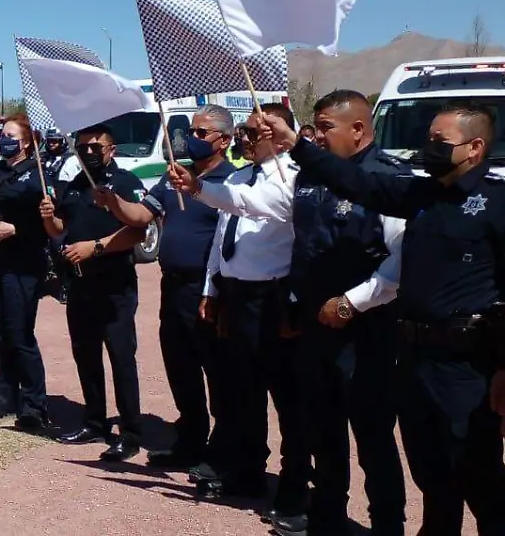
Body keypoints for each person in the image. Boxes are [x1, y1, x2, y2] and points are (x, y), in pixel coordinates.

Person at [260, 105, 505, 535]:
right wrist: (296, 144)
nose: (428, 149)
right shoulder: (423, 194)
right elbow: (358, 183)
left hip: (468, 366)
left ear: (475, 147)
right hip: (415, 359)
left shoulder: (496, 203)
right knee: (432, 475)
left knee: (478, 476)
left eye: (439, 142)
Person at [173, 95, 407, 536]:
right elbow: (253, 203)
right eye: (313, 127)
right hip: (316, 328)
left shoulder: (387, 180)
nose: (315, 136)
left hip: (366, 330)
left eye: (323, 127)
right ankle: (326, 520)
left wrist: (352, 302)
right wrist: (199, 188)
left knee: (373, 438)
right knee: (324, 432)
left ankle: (387, 526)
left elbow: (400, 259)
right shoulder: (310, 180)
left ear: (357, 128)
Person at [166, 103, 311, 516]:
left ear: (277, 134)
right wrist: (212, 287)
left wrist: (197, 188)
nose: (245, 139)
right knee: (243, 394)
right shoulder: (241, 176)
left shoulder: (292, 178)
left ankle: (294, 485)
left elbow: (252, 204)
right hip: (237, 297)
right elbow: (223, 237)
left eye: (252, 132)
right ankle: (248, 471)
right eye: (244, 132)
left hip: (277, 302)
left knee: (288, 400)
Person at [111, 105, 237, 471]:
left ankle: (221, 451)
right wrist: (113, 201)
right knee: (181, 369)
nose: (191, 139)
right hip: (174, 289)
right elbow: (140, 215)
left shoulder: (233, 182)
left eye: (201, 133)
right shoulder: (173, 178)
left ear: (224, 141)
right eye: (191, 132)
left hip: (209, 291)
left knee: (217, 371)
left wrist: (215, 293)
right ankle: (191, 441)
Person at [39, 122, 156, 461]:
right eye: (82, 147)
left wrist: (97, 248)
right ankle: (94, 421)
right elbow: (63, 228)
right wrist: (48, 219)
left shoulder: (125, 184)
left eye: (96, 147)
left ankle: (130, 433)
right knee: (85, 355)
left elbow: (137, 232)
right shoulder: (74, 185)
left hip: (114, 286)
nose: (89, 152)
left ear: (111, 150)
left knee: (121, 359)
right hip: (79, 285)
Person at [0, 113, 52, 432]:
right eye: (0, 135)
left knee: (20, 335)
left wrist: (15, 228)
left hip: (23, 263)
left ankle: (34, 405)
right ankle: (4, 398)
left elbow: (50, 227)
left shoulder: (39, 175)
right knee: (1, 334)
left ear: (28, 142)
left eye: (9, 136)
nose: (1, 140)